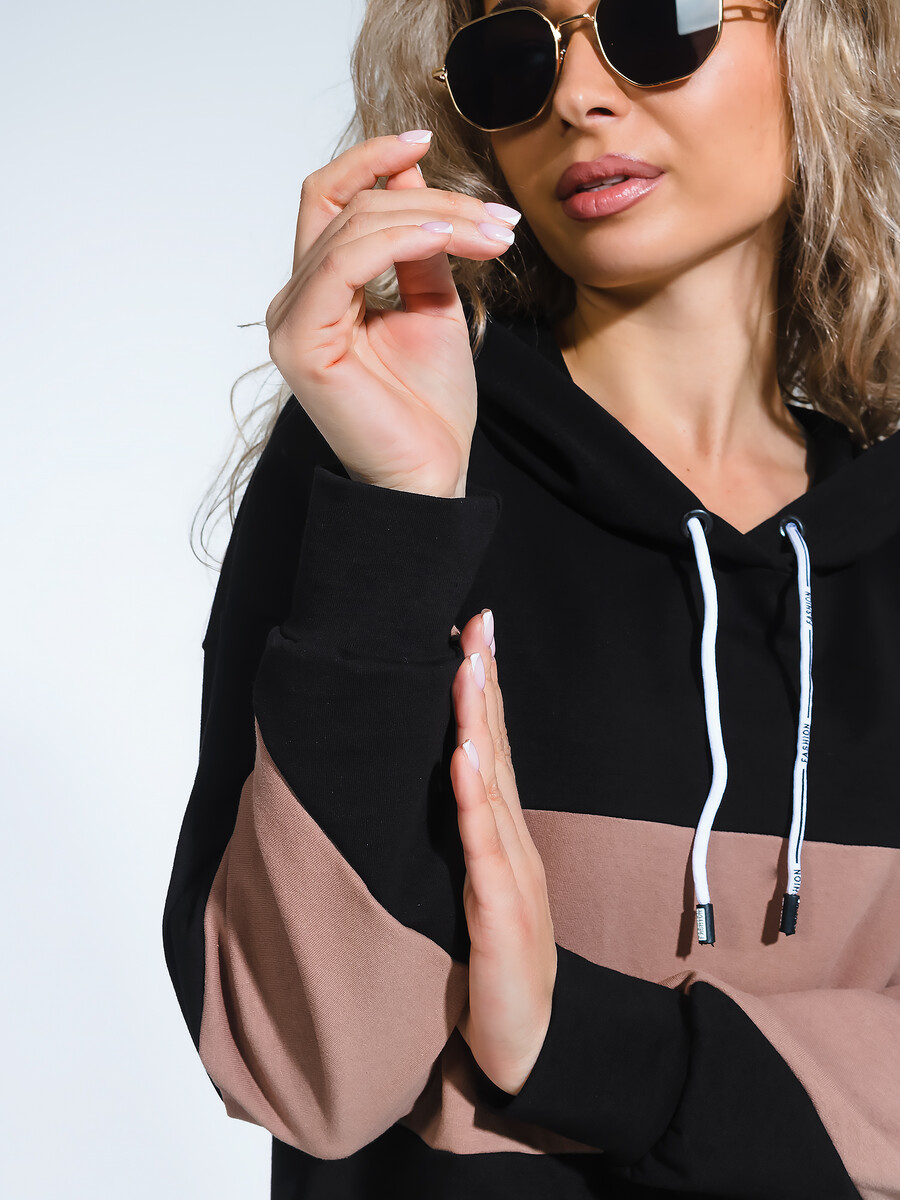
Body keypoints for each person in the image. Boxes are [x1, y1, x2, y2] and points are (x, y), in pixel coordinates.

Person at [162, 0, 900, 1195]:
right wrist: (401, 513)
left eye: (657, 20)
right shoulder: (383, 459)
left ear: (824, 41)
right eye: (517, 54)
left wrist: (575, 1041)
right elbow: (309, 1074)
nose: (578, 96)